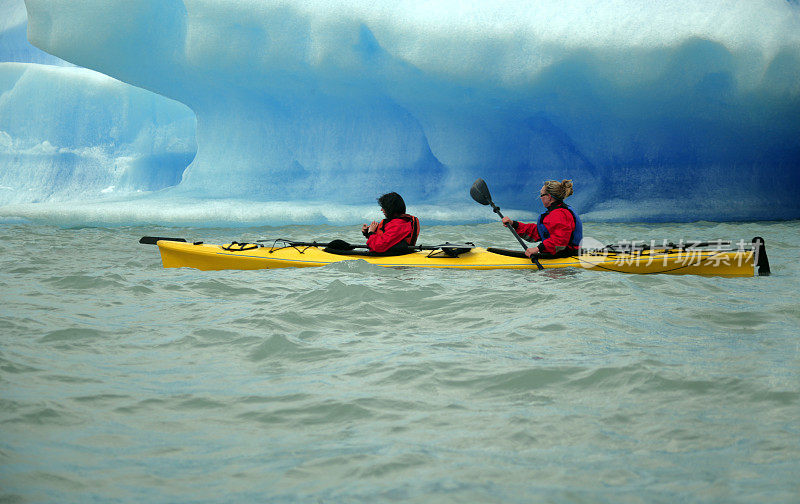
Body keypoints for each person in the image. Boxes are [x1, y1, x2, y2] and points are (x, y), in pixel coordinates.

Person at [500, 180, 583, 257]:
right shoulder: (556, 212)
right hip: (560, 254)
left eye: (541, 195)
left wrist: (537, 249)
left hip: (566, 256)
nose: (540, 198)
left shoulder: (560, 214)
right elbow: (537, 232)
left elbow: (560, 241)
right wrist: (514, 224)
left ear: (549, 197)